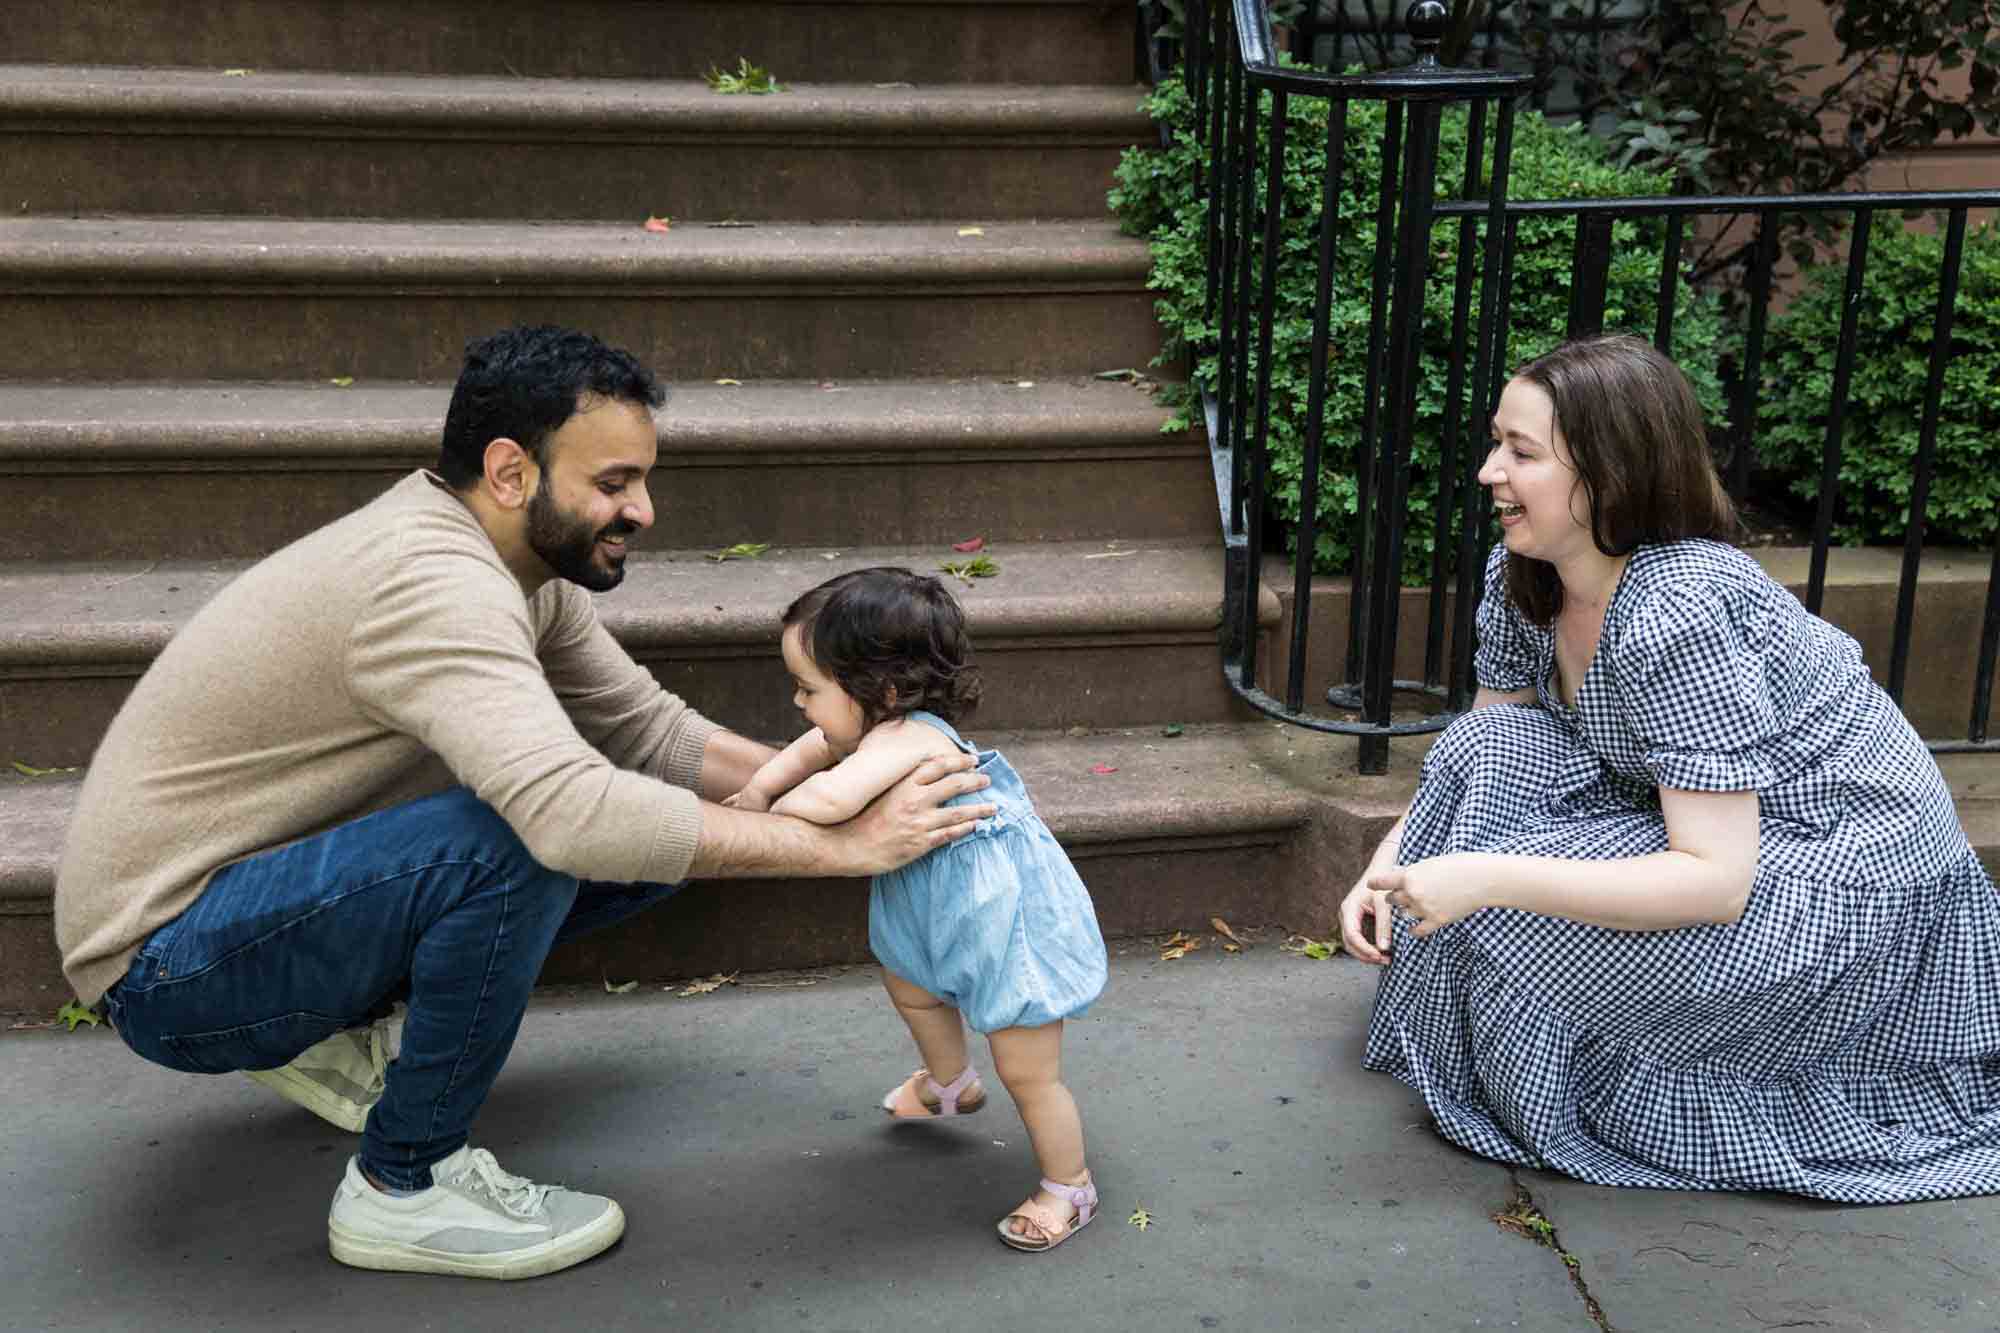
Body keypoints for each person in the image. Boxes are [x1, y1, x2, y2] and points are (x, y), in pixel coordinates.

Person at [53, 326, 995, 1280]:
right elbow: (570, 815)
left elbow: (649, 730)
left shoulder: (502, 561)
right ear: (510, 471)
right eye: (615, 482)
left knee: (644, 809)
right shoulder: (435, 586)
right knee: (520, 836)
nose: (645, 510)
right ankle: (403, 1186)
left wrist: (853, 773)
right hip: (167, 962)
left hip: (240, 900)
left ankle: (337, 1028)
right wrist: (844, 848)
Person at [1339, 332, 2000, 1202]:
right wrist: (1391, 864)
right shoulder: (1525, 571)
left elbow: (1717, 880)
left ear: (1609, 474)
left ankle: (1635, 1064)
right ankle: (1526, 1021)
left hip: (1846, 874)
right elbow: (1483, 753)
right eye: (1496, 442)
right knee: (1481, 748)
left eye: (1521, 452)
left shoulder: (1679, 611)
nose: (1489, 471)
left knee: (1514, 911)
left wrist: (1483, 876)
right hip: (1718, 830)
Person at [725, 567, 1108, 1250]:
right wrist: (756, 790)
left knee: (1027, 1067)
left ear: (886, 692)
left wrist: (766, 819)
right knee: (910, 981)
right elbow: (811, 749)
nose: (798, 700)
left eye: (810, 688)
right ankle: (952, 1082)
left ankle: (1068, 1184)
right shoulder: (869, 727)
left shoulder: (911, 737)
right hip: (935, 906)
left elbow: (829, 800)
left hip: (1002, 922)